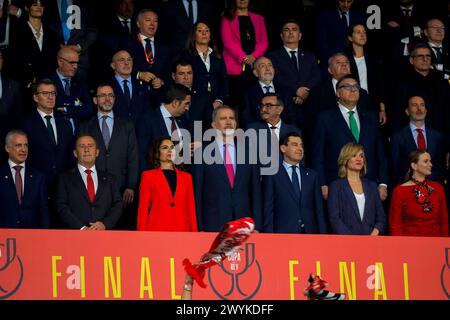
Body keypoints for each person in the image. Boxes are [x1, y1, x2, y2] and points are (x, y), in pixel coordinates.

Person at [312, 75, 388, 201]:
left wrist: (383, 183)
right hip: (337, 184)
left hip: (369, 184)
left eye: (356, 87)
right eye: (347, 87)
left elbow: (380, 152)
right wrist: (322, 183)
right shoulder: (324, 118)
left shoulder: (370, 117)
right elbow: (318, 154)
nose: (353, 90)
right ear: (338, 93)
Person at [79, 84, 139, 229]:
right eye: (103, 96)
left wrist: (131, 186)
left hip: (121, 189)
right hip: (94, 190)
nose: (107, 99)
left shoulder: (127, 125)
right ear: (95, 100)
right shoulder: (85, 125)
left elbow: (133, 157)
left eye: (111, 96)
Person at [193, 105, 262, 232]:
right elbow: (198, 193)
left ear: (236, 123)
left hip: (244, 224)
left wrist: (257, 226)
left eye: (232, 118)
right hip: (213, 224)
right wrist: (199, 227)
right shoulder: (201, 154)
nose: (229, 121)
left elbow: (256, 192)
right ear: (214, 124)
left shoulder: (249, 153)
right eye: (223, 118)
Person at [262, 132, 327, 234]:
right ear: (283, 148)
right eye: (295, 145)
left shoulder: (312, 176)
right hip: (283, 235)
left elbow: (319, 211)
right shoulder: (272, 175)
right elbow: (268, 210)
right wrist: (269, 236)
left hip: (310, 234)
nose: (300, 149)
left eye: (301, 145)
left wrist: (323, 235)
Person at [56, 134, 123, 230]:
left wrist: (104, 224)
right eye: (82, 146)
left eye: (90, 146)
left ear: (97, 152)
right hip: (75, 236)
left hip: (104, 236)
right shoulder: (64, 179)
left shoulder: (110, 179)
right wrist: (82, 227)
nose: (86, 149)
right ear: (75, 153)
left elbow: (118, 204)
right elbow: (61, 207)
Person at [267, 18, 321, 127]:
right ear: (281, 36)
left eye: (294, 29)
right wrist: (296, 90)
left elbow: (317, 77)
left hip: (309, 105)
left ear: (300, 35)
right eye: (287, 30)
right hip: (286, 105)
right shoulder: (273, 56)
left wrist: (303, 92)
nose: (291, 32)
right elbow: (276, 77)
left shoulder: (310, 56)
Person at [137, 136, 197, 231]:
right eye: (165, 147)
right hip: (156, 231)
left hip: (182, 232)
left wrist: (194, 235)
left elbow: (191, 210)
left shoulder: (187, 177)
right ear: (157, 153)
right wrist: (141, 236)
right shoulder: (148, 176)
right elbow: (143, 210)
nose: (170, 150)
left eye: (172, 147)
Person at [328, 143, 386, 235]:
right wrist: (352, 240)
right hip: (346, 242)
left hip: (371, 241)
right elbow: (334, 218)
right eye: (354, 155)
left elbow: (381, 218)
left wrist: (374, 234)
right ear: (345, 159)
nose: (359, 159)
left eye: (361, 156)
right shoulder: (336, 186)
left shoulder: (372, 186)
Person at [389, 149, 449, 237]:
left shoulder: (438, 189)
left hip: (435, 245)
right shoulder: (399, 191)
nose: (430, 164)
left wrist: (445, 244)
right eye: (426, 161)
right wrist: (399, 247)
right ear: (414, 166)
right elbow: (395, 225)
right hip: (410, 245)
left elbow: (444, 222)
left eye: (430, 161)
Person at [221, 0, 268, 107]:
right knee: (236, 103)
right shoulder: (227, 18)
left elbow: (264, 41)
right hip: (235, 67)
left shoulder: (258, 18)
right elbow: (228, 42)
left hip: (254, 66)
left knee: (255, 102)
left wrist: (254, 57)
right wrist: (244, 58)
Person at [390, 96, 444, 185]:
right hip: (408, 189)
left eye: (422, 105)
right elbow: (394, 167)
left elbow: (440, 166)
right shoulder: (398, 137)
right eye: (414, 105)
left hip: (433, 188)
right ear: (407, 111)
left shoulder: (437, 136)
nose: (419, 109)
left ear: (426, 110)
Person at [0, 129, 49, 228]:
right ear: (7, 148)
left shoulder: (38, 177)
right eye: (18, 145)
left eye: (25, 145)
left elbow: (43, 211)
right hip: (5, 237)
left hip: (32, 237)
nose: (23, 149)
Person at [136, 83, 191, 171]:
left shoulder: (182, 121)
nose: (187, 108)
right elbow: (142, 154)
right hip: (157, 178)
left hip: (179, 177)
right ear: (175, 103)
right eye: (186, 103)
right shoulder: (148, 120)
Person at [181, 20, 228, 111]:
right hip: (195, 103)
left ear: (210, 35)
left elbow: (224, 80)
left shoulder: (217, 55)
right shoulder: (186, 55)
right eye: (200, 31)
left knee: (214, 125)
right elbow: (184, 80)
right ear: (194, 35)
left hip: (216, 103)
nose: (204, 33)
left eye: (207, 30)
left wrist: (219, 100)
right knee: (197, 125)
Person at [345, 23, 386, 125]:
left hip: (372, 103)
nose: (362, 35)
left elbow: (380, 85)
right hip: (352, 101)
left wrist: (382, 109)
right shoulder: (345, 58)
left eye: (364, 32)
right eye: (358, 32)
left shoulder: (373, 58)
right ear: (350, 37)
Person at [49, 47, 94, 134]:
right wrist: (77, 107)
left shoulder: (80, 82)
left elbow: (89, 109)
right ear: (60, 62)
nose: (76, 66)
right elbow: (53, 108)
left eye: (77, 63)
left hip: (77, 135)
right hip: (56, 134)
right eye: (72, 62)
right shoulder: (47, 81)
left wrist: (67, 109)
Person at [241, 56, 295, 129]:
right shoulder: (248, 93)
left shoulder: (285, 91)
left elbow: (293, 116)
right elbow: (246, 119)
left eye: (270, 65)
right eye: (263, 66)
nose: (268, 69)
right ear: (256, 73)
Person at [110, 50, 150, 128]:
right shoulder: (107, 86)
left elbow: (147, 112)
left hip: (139, 134)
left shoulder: (142, 85)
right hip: (116, 133)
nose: (126, 63)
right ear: (113, 65)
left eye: (129, 59)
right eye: (122, 60)